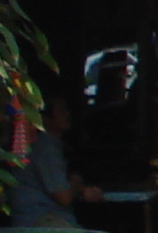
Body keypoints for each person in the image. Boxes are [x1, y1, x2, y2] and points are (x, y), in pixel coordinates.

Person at [10, 92, 101, 226]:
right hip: (41, 220)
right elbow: (63, 197)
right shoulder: (45, 148)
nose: (67, 114)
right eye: (61, 110)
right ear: (45, 118)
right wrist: (79, 187)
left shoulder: (51, 145)